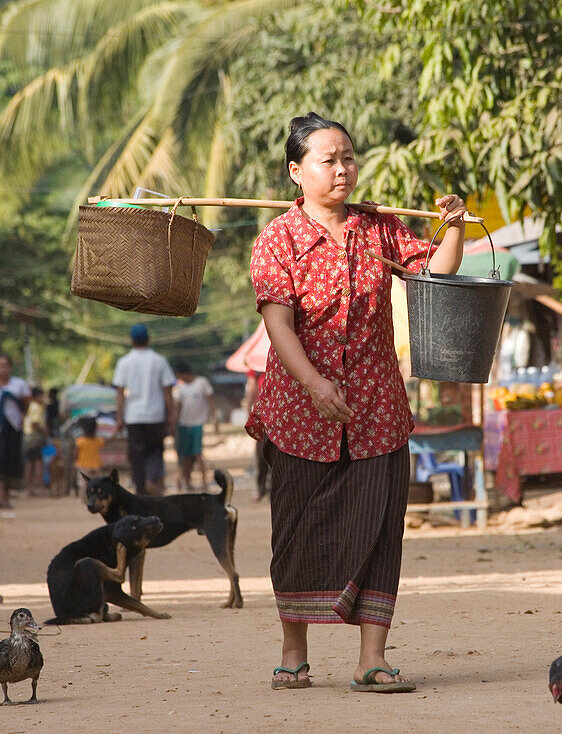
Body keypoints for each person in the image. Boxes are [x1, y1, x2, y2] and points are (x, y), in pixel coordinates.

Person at [246, 112, 467, 692]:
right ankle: (294, 654)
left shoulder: (381, 229)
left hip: (376, 409)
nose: (342, 168)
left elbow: (436, 274)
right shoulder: (278, 239)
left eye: (348, 157)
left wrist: (456, 229)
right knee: (295, 532)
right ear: (297, 172)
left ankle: (373, 659)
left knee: (378, 528)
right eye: (328, 159)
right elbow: (279, 326)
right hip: (298, 411)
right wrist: (317, 385)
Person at [112, 324, 176, 496]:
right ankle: (151, 479)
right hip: (155, 416)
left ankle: (141, 491)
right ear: (148, 339)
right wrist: (171, 416)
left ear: (131, 340)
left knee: (136, 455)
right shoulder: (159, 361)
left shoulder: (124, 362)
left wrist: (119, 417)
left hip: (133, 417)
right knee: (155, 451)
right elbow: (167, 391)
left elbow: (120, 393)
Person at [0, 355, 31, 512]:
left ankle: (5, 496)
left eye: (6, 365)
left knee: (11, 462)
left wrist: (22, 416)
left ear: (10, 367)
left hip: (14, 426)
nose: (3, 369)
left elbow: (26, 402)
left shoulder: (19, 384)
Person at [170, 362, 215, 493]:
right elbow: (176, 408)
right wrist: (173, 423)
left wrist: (214, 419)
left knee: (197, 454)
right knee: (185, 456)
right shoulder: (179, 388)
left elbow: (210, 401)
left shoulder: (202, 383)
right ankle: (186, 480)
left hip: (197, 424)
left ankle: (204, 481)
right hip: (183, 425)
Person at [245, 369, 270, 501]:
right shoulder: (256, 369)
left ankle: (268, 489)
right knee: (262, 453)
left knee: (265, 453)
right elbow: (251, 389)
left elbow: (251, 390)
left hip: (277, 412)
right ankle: (262, 488)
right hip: (264, 415)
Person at [23, 387, 48, 493]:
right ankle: (40, 487)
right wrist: (45, 431)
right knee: (37, 462)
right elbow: (35, 423)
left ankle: (29, 487)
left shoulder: (30, 406)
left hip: (28, 436)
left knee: (30, 462)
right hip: (34, 437)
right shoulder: (36, 407)